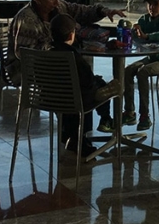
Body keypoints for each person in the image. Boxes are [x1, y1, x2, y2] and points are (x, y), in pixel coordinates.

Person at [48, 13, 119, 156]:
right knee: (103, 85)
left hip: (51, 99)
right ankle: (105, 120)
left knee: (75, 88)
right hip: (77, 100)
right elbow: (86, 81)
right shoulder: (73, 57)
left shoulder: (45, 53)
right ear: (71, 35)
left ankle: (70, 135)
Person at [11, 0, 126, 59]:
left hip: (54, 60)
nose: (56, 2)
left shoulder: (59, 7)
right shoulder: (26, 19)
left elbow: (81, 11)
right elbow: (24, 53)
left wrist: (104, 11)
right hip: (28, 68)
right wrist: (67, 45)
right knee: (77, 71)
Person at [122, 0, 159, 131]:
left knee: (143, 72)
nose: (151, 7)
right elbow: (136, 37)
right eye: (149, 4)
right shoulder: (144, 19)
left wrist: (146, 36)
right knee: (127, 71)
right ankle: (129, 111)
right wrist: (133, 32)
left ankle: (144, 115)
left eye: (156, 4)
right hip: (151, 58)